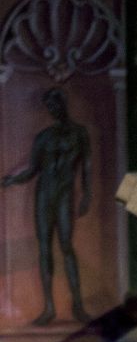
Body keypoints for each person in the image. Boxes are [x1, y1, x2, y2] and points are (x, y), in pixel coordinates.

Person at [1, 87, 92, 325]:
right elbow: (32, 169)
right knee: (45, 248)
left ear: (63, 103)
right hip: (44, 194)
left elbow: (87, 166)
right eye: (49, 107)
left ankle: (78, 305)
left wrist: (87, 194)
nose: (52, 110)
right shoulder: (44, 137)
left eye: (55, 105)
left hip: (64, 194)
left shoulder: (79, 133)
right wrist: (12, 180)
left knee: (66, 245)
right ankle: (49, 308)